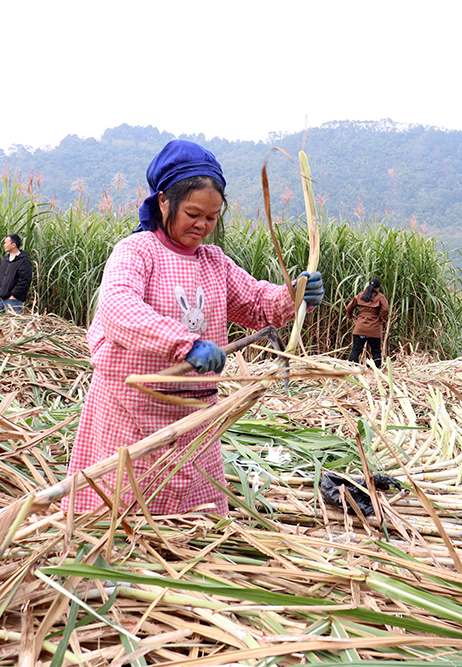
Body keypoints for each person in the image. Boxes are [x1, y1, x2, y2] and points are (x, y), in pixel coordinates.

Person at [63, 140, 324, 516]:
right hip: (134, 409)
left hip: (195, 414)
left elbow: (255, 302)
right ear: (164, 201)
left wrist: (294, 294)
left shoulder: (214, 261)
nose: (203, 225)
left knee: (191, 521)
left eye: (212, 217)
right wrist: (185, 345)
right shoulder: (137, 252)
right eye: (193, 213)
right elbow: (119, 309)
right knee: (124, 509)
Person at [345, 277, 389, 367]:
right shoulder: (380, 297)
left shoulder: (361, 295)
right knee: (376, 351)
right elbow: (386, 309)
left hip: (360, 327)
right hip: (374, 329)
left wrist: (350, 315)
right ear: (378, 288)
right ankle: (376, 373)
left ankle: (351, 370)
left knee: (356, 349)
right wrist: (383, 319)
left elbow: (349, 307)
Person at [0, 233, 33, 313]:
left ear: (13, 245)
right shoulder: (5, 259)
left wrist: (14, 296)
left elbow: (25, 280)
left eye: (6, 243)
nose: (4, 245)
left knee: (13, 324)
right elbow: (0, 277)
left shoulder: (23, 260)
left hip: (13, 302)